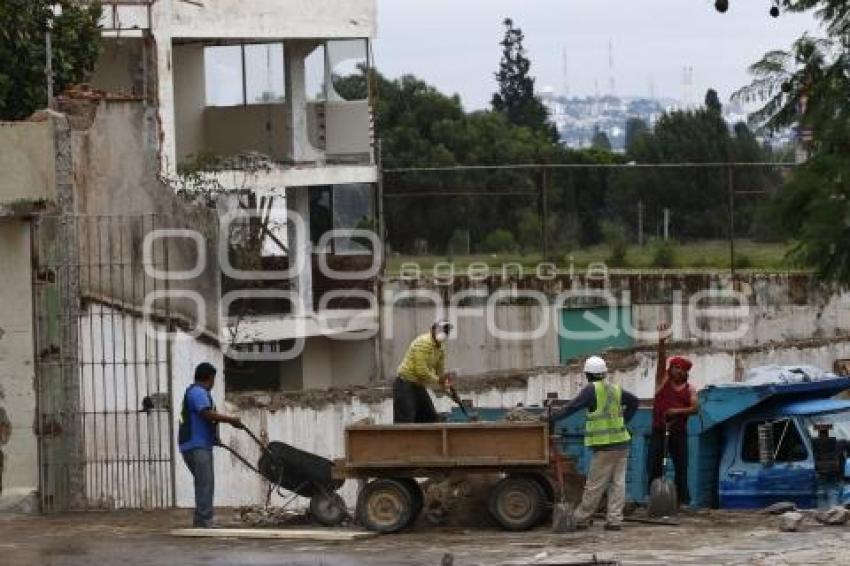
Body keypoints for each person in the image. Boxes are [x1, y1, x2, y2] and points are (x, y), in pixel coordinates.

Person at [549, 355, 639, 530]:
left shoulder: (592, 390)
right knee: (617, 483)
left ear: (587, 375)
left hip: (606, 446)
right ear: (604, 373)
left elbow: (571, 407)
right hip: (622, 443)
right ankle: (614, 520)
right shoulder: (614, 389)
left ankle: (582, 518)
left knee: (594, 484)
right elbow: (634, 402)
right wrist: (623, 421)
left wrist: (550, 418)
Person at [178, 362, 243, 528]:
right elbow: (206, 413)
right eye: (214, 378)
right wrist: (231, 420)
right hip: (196, 445)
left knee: (203, 482)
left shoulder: (195, 392)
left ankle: (201, 519)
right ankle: (204, 520)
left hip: (196, 444)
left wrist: (214, 438)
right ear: (210, 378)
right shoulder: (199, 392)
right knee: (205, 482)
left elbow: (205, 419)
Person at [646, 322, 698, 506]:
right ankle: (654, 498)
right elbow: (661, 362)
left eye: (681, 369)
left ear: (685, 372)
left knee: (681, 467)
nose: (677, 371)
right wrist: (661, 342)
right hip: (659, 430)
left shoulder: (690, 389)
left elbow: (695, 409)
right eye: (674, 367)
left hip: (678, 433)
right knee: (654, 465)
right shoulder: (662, 382)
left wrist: (677, 411)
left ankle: (682, 501)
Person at [393, 319, 454, 423]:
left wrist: (446, 386)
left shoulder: (440, 349)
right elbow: (421, 371)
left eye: (446, 330)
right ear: (433, 330)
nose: (444, 332)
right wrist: (438, 380)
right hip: (405, 383)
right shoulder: (423, 343)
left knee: (429, 418)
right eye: (441, 329)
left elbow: (440, 372)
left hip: (418, 385)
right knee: (406, 420)